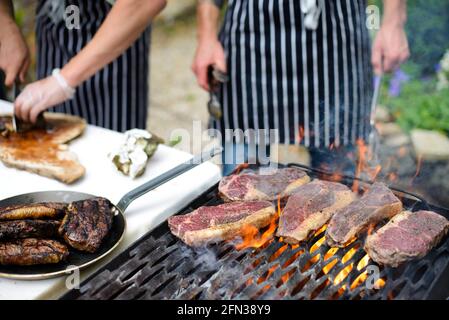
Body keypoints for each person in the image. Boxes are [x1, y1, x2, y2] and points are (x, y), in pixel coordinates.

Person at [192, 0, 409, 175]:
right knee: (240, 189)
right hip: (251, 39)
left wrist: (394, 22)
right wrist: (206, 36)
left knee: (341, 191)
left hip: (339, 41)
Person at [0, 0, 166, 131]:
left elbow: (144, 2)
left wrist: (63, 81)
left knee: (113, 154)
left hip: (115, 36)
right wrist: (5, 26)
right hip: (53, 24)